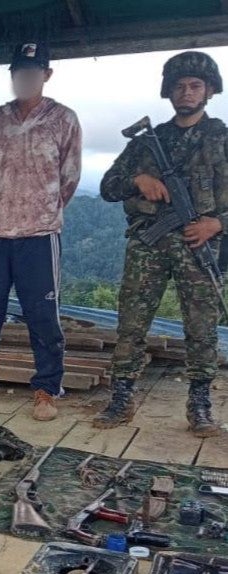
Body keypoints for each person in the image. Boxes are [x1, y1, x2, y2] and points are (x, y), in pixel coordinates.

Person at [94, 51, 228, 437]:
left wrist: (216, 223)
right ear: (168, 92)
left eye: (195, 85)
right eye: (179, 86)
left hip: (198, 246)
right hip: (148, 246)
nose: (186, 92)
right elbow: (107, 185)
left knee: (202, 326)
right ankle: (121, 396)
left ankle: (200, 402)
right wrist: (138, 181)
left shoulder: (221, 138)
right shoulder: (147, 143)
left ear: (209, 91)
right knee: (132, 323)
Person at [0, 42, 82, 421]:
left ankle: (46, 389)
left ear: (46, 74)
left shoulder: (63, 119)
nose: (24, 78)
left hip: (40, 234)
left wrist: (42, 209)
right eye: (18, 73)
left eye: (32, 72)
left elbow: (69, 178)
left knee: (42, 315)